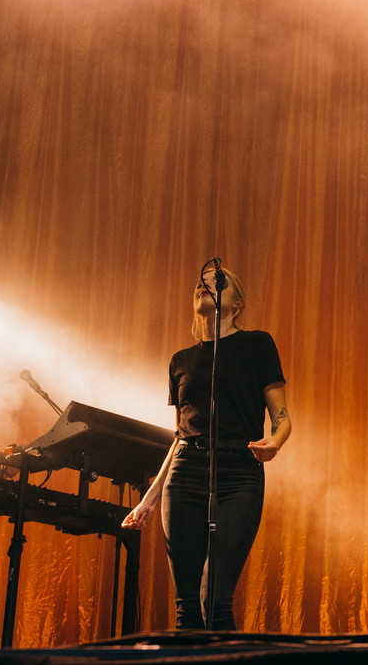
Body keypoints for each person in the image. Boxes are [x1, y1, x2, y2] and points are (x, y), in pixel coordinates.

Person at [122, 267, 291, 631]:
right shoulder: (181, 360)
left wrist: (275, 441)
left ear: (237, 303)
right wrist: (149, 499)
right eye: (200, 282)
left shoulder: (257, 344)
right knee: (186, 610)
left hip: (238, 473)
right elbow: (180, 434)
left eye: (217, 282)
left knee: (213, 599)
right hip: (184, 475)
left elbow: (282, 415)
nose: (204, 285)